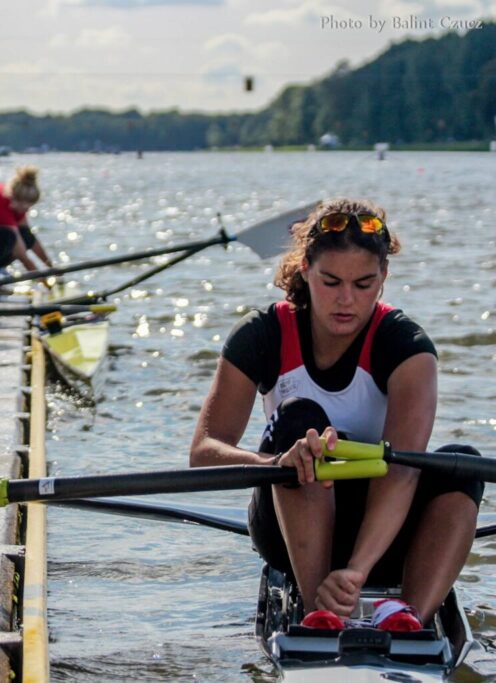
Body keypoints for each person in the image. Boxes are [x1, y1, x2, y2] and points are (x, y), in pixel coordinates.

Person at [189, 198, 482, 630]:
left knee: (463, 463)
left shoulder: (407, 347)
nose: (346, 300)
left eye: (364, 284)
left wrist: (356, 572)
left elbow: (402, 473)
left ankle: (409, 614)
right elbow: (204, 452)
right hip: (289, 524)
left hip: (382, 528)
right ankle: (317, 609)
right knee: (300, 423)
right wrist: (276, 463)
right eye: (331, 281)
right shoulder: (262, 335)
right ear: (305, 269)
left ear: (383, 278)